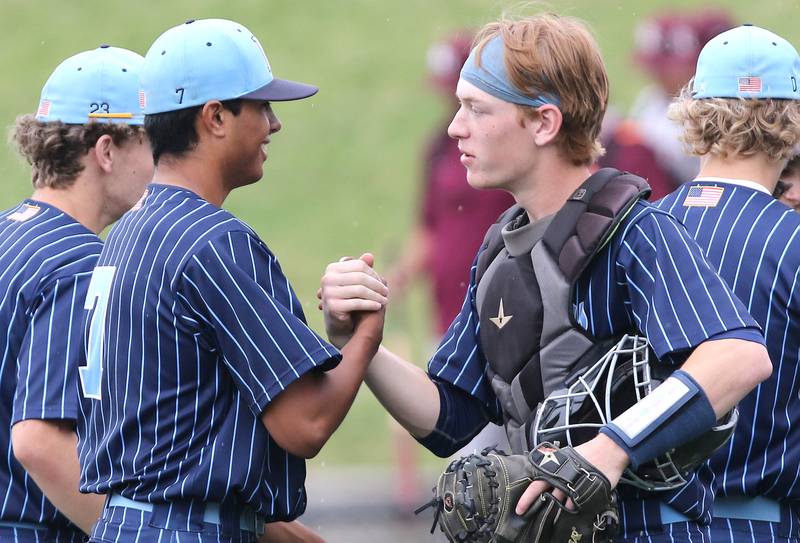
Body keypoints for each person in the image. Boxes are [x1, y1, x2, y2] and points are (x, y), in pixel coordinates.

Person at [319, 12, 771, 540]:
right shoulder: (501, 251)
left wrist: (609, 449)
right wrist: (362, 344)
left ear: (543, 123)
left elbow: (740, 355)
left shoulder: (637, 233)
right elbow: (450, 417)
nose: (454, 126)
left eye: (476, 108)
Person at [75, 19, 385, 543]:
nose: (274, 124)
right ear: (215, 117)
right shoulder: (212, 241)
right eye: (261, 106)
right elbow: (304, 424)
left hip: (128, 522)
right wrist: (366, 336)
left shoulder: (130, 230)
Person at [654, 24, 800, 541]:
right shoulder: (792, 239)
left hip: (637, 525)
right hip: (757, 526)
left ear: (695, 111)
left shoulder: (635, 230)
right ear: (792, 124)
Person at [1, 45, 152, 541]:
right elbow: (40, 442)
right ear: (107, 151)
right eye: (154, 143)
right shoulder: (80, 265)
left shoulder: (8, 233)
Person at [599, 10, 734, 200]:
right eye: (655, 67)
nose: (659, 74)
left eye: (666, 67)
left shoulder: (710, 103)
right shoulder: (651, 99)